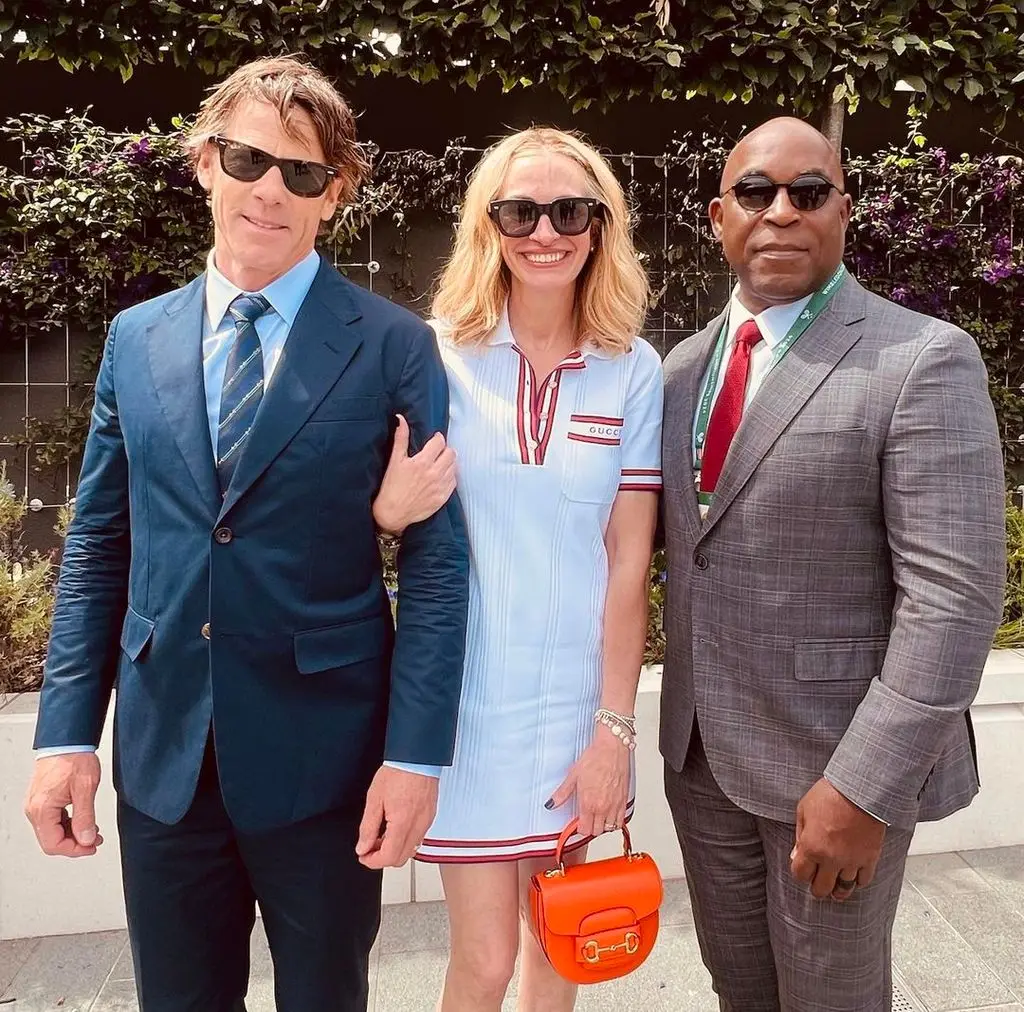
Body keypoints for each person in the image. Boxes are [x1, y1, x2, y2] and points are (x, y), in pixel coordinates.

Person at [23, 55, 469, 1012]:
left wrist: (415, 755)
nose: (270, 190)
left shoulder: (394, 345)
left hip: (328, 764)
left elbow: (437, 567)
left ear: (334, 194)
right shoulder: (135, 339)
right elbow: (99, 544)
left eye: (303, 173)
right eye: (248, 160)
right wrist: (64, 736)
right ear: (202, 162)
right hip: (164, 763)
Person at [658, 115, 1006, 1011]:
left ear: (843, 211)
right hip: (701, 768)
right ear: (717, 216)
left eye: (808, 192)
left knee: (832, 999)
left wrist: (866, 788)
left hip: (835, 771)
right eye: (755, 193)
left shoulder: (922, 358)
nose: (780, 211)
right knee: (740, 990)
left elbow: (954, 601)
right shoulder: (678, 373)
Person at [373, 127, 662, 1011]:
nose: (546, 231)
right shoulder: (435, 355)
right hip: (462, 713)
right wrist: (386, 513)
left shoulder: (632, 369)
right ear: (486, 226)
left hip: (578, 710)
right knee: (486, 960)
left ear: (601, 226)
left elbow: (628, 562)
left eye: (570, 210)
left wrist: (613, 732)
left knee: (561, 945)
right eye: (520, 211)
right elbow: (378, 514)